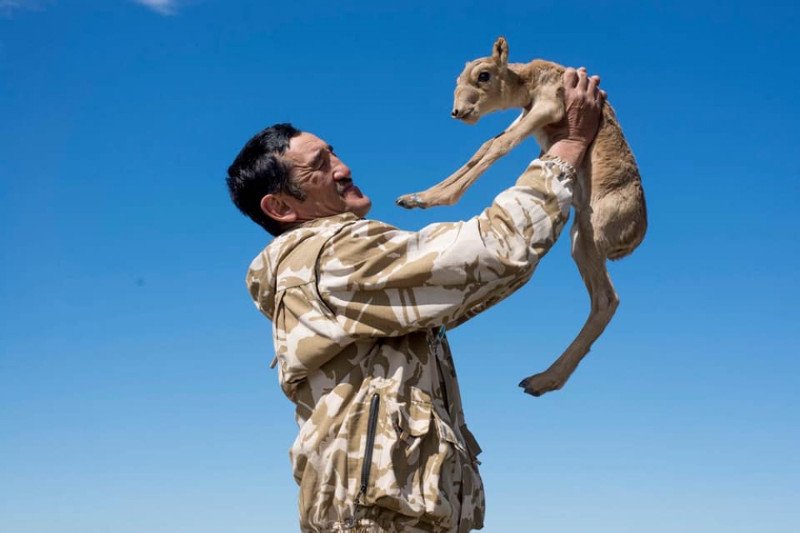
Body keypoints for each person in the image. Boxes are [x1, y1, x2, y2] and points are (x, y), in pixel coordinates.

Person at [226, 68, 605, 533]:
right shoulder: (330, 255)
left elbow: (482, 280)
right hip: (376, 521)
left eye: (334, 153)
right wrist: (566, 148)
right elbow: (493, 250)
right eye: (319, 165)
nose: (342, 168)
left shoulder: (331, 270)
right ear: (282, 207)